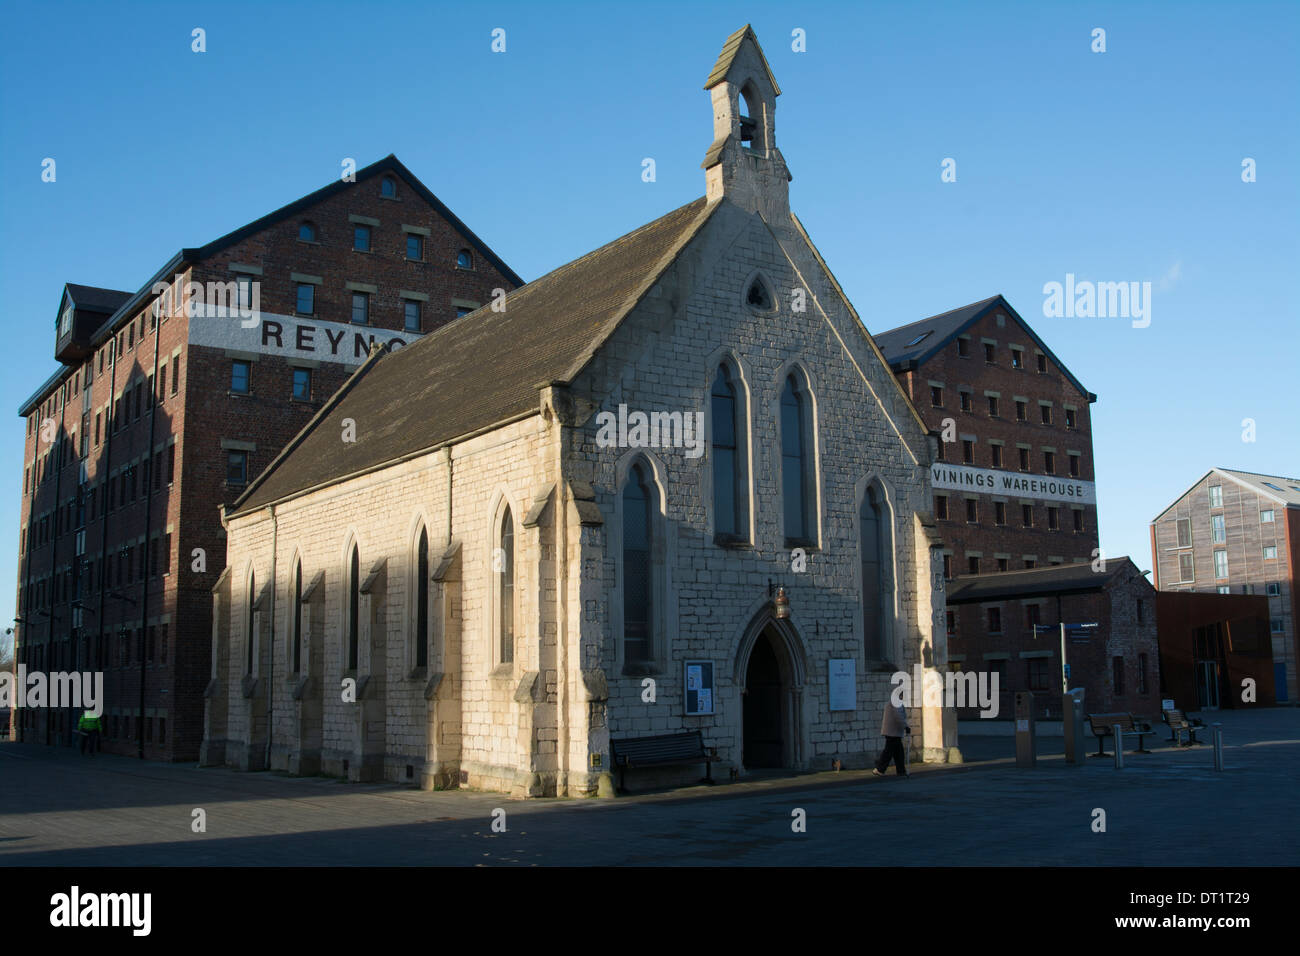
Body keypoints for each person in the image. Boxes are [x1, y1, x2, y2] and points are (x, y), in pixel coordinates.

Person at [872, 698, 910, 776]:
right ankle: (880, 769)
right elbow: (898, 716)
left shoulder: (896, 702)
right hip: (892, 732)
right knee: (889, 752)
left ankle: (901, 770)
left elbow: (901, 716)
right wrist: (906, 726)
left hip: (894, 732)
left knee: (898, 752)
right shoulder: (895, 703)